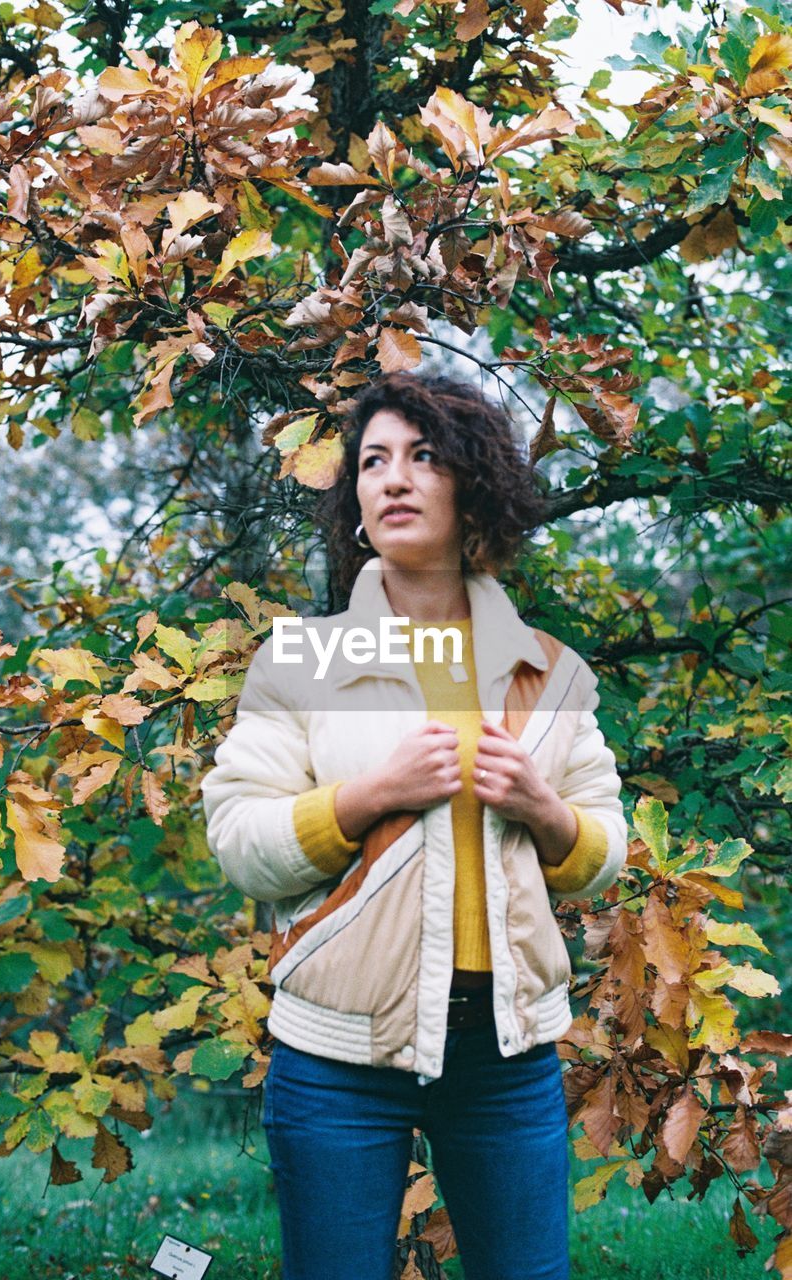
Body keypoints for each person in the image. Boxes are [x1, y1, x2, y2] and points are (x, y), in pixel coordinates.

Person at [200, 371, 628, 1280]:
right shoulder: (301, 661)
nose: (392, 478)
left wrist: (543, 810)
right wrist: (370, 794)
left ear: (472, 483)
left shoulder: (547, 673)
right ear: (354, 498)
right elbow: (240, 840)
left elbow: (600, 855)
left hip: (505, 1056)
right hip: (338, 1056)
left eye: (423, 457)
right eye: (373, 461)